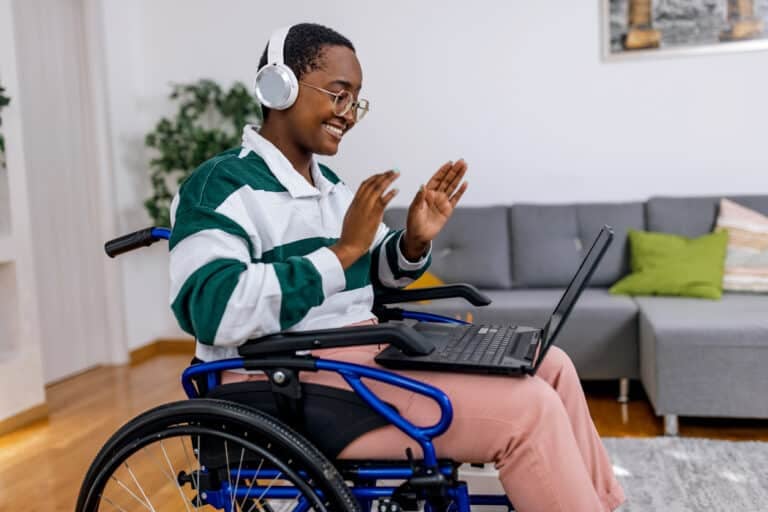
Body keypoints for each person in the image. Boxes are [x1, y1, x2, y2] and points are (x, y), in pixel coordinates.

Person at [169, 23, 625, 512]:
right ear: (278, 86)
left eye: (356, 101)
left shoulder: (330, 187)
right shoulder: (219, 186)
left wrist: (411, 241)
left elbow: (375, 274)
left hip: (353, 355)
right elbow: (210, 309)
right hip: (286, 381)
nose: (348, 114)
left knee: (548, 364)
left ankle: (601, 503)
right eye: (338, 95)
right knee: (528, 412)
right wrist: (342, 252)